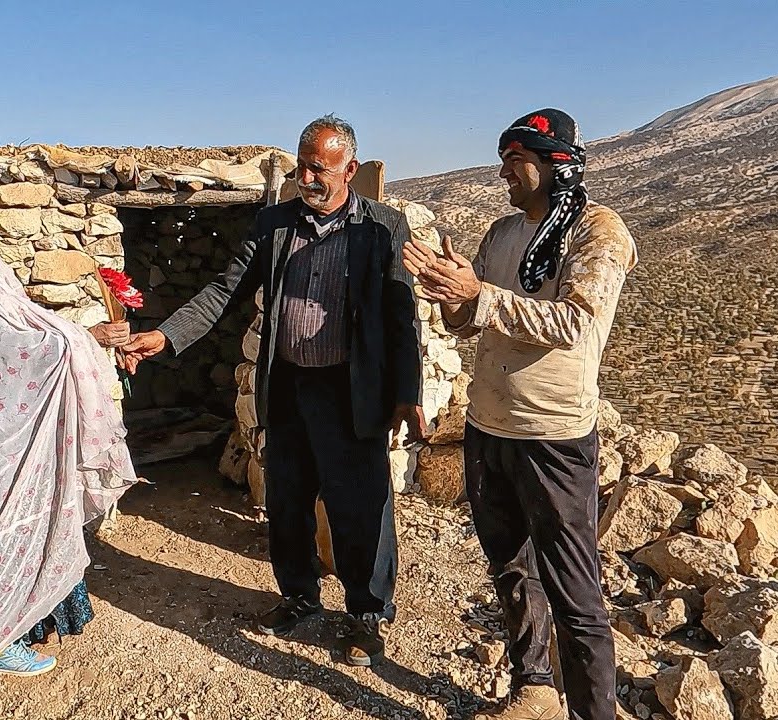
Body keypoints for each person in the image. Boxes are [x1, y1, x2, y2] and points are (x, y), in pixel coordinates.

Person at [120, 115, 424, 667]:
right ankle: (299, 597)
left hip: (352, 391)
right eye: (301, 166)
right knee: (287, 501)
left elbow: (402, 316)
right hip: (287, 387)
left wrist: (409, 393)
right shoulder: (274, 226)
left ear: (350, 170)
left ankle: (367, 615)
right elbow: (223, 291)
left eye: (320, 169)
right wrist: (165, 337)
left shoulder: (383, 227)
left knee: (362, 507)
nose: (306, 178)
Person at [403, 109, 637, 720]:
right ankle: (532, 688)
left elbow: (576, 321)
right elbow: (471, 318)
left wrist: (477, 296)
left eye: (518, 160)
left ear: (555, 162)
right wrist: (448, 294)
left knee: (575, 591)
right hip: (489, 427)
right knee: (508, 563)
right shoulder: (503, 234)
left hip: (552, 434)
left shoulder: (598, 231)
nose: (506, 172)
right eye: (504, 160)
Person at [0, 193, 138, 677]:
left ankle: (23, 621)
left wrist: (77, 336)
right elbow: (15, 350)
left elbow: (20, 325)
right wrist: (86, 338)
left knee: (31, 520)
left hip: (6, 429)